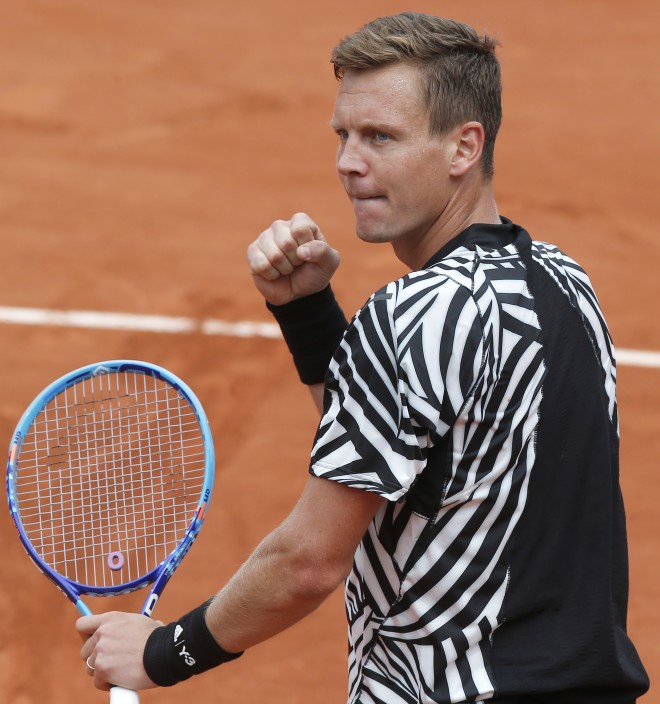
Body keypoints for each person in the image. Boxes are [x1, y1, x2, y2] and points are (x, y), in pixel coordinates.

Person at [77, 12, 649, 703]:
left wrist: (166, 652)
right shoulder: (563, 281)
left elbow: (307, 563)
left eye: (380, 137)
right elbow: (406, 456)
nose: (349, 162)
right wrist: (309, 314)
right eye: (343, 135)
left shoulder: (411, 315)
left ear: (464, 146)